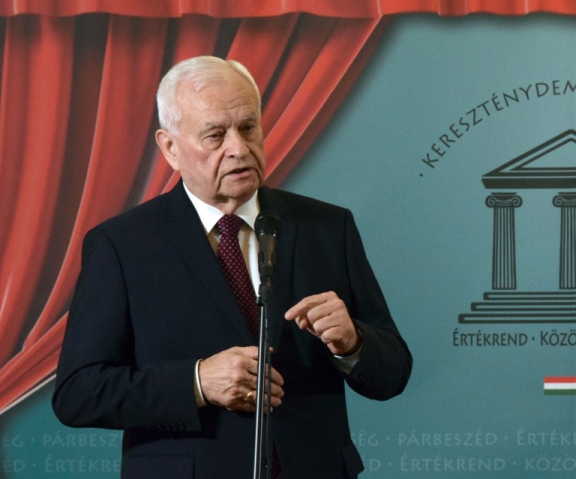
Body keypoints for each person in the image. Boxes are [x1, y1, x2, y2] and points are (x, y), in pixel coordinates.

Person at [52, 56, 412, 479]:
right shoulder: (122, 245)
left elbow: (393, 374)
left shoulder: (328, 227)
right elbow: (78, 393)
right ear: (170, 148)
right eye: (215, 135)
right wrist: (198, 382)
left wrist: (353, 343)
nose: (239, 148)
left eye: (248, 127)